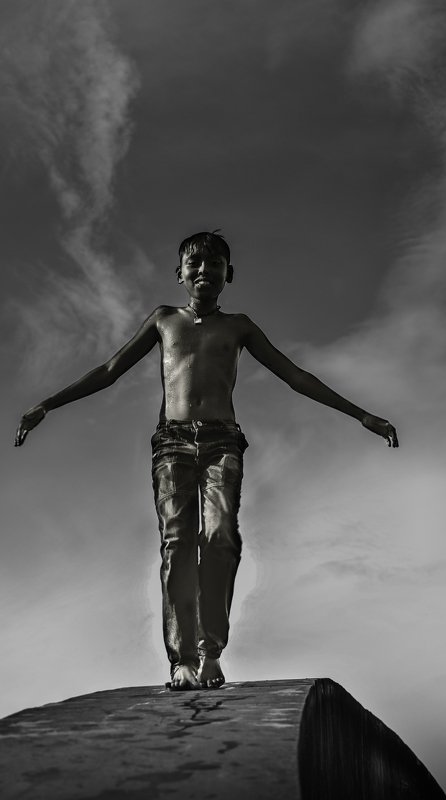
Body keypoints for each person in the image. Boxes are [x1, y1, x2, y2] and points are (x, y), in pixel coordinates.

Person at [14, 230, 398, 691]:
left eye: (214, 264)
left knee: (219, 537)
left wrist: (361, 415)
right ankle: (182, 661)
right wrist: (47, 404)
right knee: (177, 544)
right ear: (179, 274)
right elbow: (110, 371)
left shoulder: (239, 327)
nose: (203, 270)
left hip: (222, 443)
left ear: (228, 274)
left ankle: (210, 651)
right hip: (172, 444)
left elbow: (295, 376)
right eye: (194, 264)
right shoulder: (164, 319)